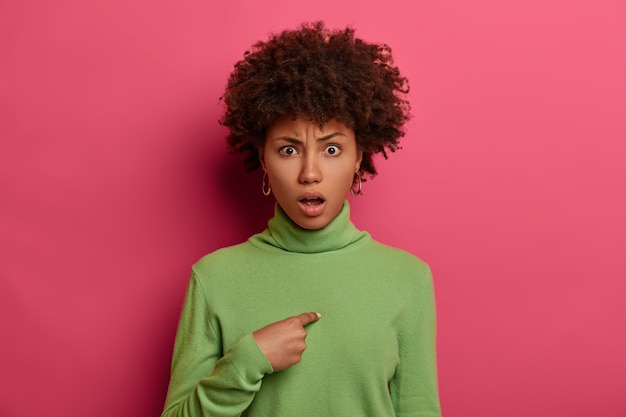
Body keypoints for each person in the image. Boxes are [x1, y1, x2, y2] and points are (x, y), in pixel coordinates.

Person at [161, 22, 441, 417]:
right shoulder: (214, 278)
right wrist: (245, 363)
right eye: (289, 150)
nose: (310, 173)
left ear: (358, 157)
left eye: (331, 149)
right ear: (263, 159)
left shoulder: (407, 279)